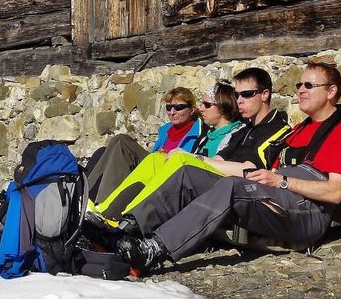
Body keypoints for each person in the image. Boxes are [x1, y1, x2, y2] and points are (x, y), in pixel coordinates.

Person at [116, 62, 341, 271]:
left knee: (231, 186)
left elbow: (335, 192)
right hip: (278, 199)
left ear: (332, 91)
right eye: (299, 85)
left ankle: (155, 249)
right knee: (188, 174)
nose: (301, 90)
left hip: (308, 214)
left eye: (309, 85)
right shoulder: (302, 128)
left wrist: (280, 181)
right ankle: (128, 227)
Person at [88, 81, 244, 220]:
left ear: (223, 107)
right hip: (182, 173)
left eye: (207, 105)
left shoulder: (226, 132)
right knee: (151, 158)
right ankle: (104, 208)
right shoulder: (200, 133)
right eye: (169, 107)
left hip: (201, 184)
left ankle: (125, 214)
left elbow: (216, 163)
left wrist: (184, 155)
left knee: (133, 146)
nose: (172, 111)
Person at [85, 87, 203, 206]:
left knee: (122, 141)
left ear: (192, 110)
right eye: (169, 107)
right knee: (102, 151)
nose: (172, 112)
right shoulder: (166, 130)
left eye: (178, 108)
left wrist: (168, 156)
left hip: (169, 171)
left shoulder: (198, 132)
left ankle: (98, 201)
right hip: (153, 164)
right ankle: (86, 195)